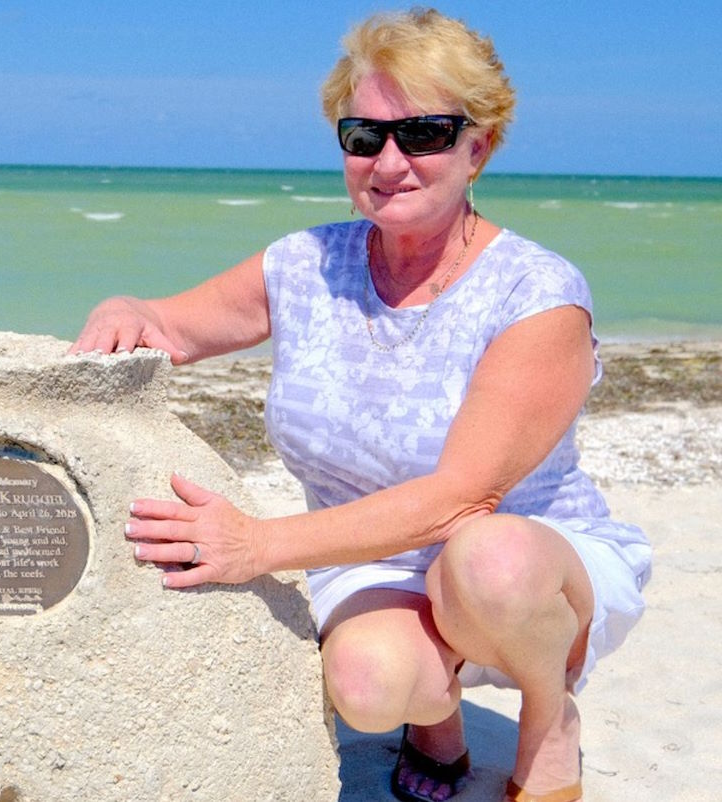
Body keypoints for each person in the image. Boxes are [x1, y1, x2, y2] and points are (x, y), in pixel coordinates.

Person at [70, 8, 651, 802]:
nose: (389, 161)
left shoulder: (537, 294)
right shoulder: (306, 263)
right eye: (363, 136)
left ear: (477, 147)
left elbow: (460, 500)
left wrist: (256, 545)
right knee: (366, 684)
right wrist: (122, 307)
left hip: (527, 565)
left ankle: (549, 721)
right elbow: (168, 323)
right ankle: (433, 719)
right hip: (372, 558)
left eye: (424, 134)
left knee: (489, 557)